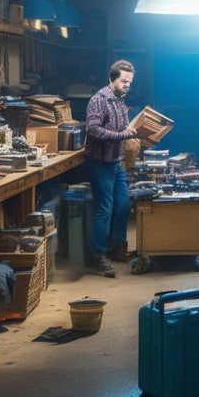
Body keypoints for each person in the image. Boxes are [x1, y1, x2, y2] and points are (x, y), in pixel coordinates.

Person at [85, 60, 138, 277]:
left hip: (115, 162)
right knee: (104, 209)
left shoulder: (118, 101)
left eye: (129, 82)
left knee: (124, 204)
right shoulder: (99, 100)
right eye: (123, 81)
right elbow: (94, 130)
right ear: (112, 79)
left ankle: (117, 248)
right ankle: (99, 255)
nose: (127, 85)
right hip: (100, 162)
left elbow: (122, 128)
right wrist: (124, 135)